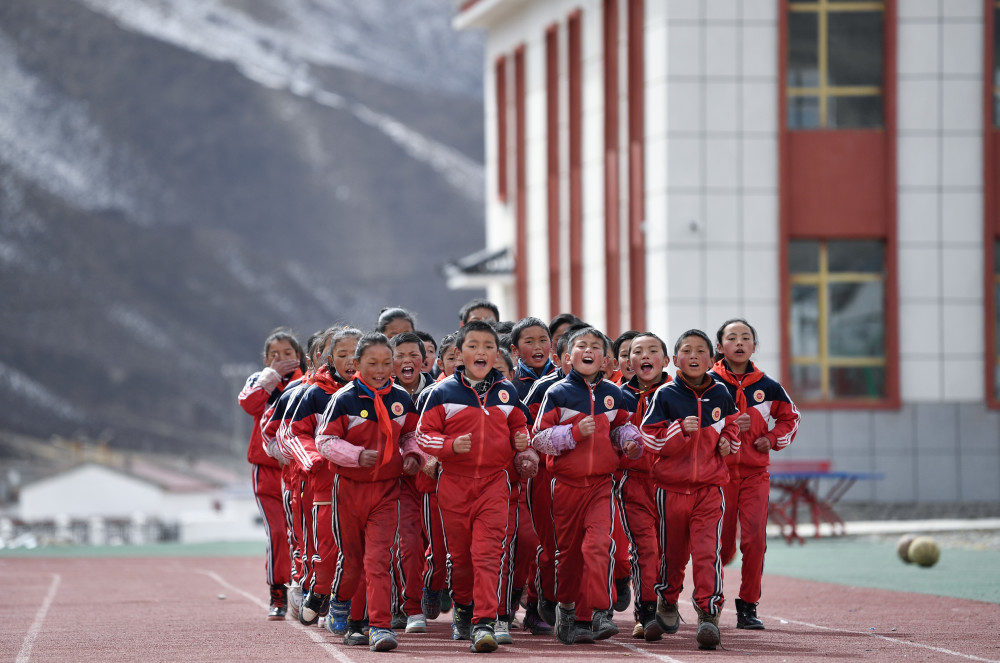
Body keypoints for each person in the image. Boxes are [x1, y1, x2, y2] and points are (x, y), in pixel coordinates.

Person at [416, 321, 536, 653]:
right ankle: (464, 610)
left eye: (487, 346)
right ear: (460, 353)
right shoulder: (442, 393)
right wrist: (451, 446)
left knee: (487, 554)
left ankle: (484, 622)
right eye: (473, 345)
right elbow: (423, 437)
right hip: (454, 483)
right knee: (461, 557)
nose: (480, 351)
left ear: (496, 354)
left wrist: (521, 442)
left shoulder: (506, 391)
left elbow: (519, 426)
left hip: (494, 483)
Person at [531, 326, 642, 645]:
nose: (589, 350)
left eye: (596, 346)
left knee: (598, 546)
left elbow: (622, 427)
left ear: (606, 359)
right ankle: (567, 610)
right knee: (569, 555)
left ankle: (595, 613)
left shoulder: (614, 393)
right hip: (565, 485)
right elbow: (540, 438)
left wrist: (631, 442)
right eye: (582, 345)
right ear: (568, 357)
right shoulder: (557, 393)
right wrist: (574, 433)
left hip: (600, 485)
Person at [315, 332, 425, 652]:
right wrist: (357, 456)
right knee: (353, 562)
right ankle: (343, 605)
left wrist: (414, 455)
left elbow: (410, 436)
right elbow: (325, 442)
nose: (380, 369)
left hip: (386, 491)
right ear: (357, 364)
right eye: (372, 363)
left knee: (378, 559)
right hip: (348, 490)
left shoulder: (401, 398)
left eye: (386, 363)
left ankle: (377, 625)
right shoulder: (344, 399)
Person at [639, 329, 739, 651]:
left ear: (712, 359)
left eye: (700, 351)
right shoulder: (665, 395)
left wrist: (728, 441)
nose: (694, 356)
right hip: (670, 490)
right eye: (686, 350)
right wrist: (677, 430)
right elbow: (649, 438)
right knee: (674, 554)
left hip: (710, 489)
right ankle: (667, 600)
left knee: (707, 553)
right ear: (676, 359)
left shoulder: (722, 393)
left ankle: (708, 614)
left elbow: (734, 426)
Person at [709, 318, 800, 630]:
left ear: (754, 346)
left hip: (754, 475)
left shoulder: (769, 386)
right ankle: (712, 602)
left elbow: (791, 418)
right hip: (716, 475)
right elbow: (691, 423)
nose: (738, 342)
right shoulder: (707, 383)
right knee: (719, 545)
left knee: (755, 540)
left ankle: (748, 606)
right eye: (731, 337)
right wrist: (728, 426)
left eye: (745, 337)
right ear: (719, 347)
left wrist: (771, 439)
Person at [286, 328, 362, 634]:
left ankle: (357, 615)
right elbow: (290, 433)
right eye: (341, 354)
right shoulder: (313, 393)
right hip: (325, 487)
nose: (350, 360)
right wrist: (314, 461)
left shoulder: (379, 392)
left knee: (365, 554)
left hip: (366, 488)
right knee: (329, 553)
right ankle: (318, 591)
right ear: (328, 358)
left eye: (355, 354)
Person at [238, 328, 305, 620]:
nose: (282, 360)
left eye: (288, 354)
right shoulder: (259, 380)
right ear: (265, 359)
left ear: (299, 356)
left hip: (298, 469)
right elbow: (249, 404)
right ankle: (277, 590)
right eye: (274, 355)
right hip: (265, 470)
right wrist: (272, 376)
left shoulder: (308, 381)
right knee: (277, 532)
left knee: (303, 533)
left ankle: (305, 589)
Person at [619, 332, 671, 640]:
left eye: (654, 350)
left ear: (666, 361)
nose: (646, 356)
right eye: (638, 351)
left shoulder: (679, 393)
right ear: (629, 361)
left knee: (670, 553)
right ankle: (646, 612)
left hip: (674, 486)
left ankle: (668, 601)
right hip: (634, 483)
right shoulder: (617, 396)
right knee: (645, 549)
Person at [389, 331, 436, 632]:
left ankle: (436, 590)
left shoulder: (441, 391)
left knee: (444, 548)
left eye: (413, 355)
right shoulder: (382, 394)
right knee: (407, 544)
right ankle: (410, 607)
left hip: (438, 482)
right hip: (401, 480)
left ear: (425, 360)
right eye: (399, 356)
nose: (407, 361)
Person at [510, 317, 555, 401]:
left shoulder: (562, 376)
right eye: (529, 342)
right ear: (515, 350)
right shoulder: (510, 380)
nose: (537, 347)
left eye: (543, 340)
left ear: (551, 345)